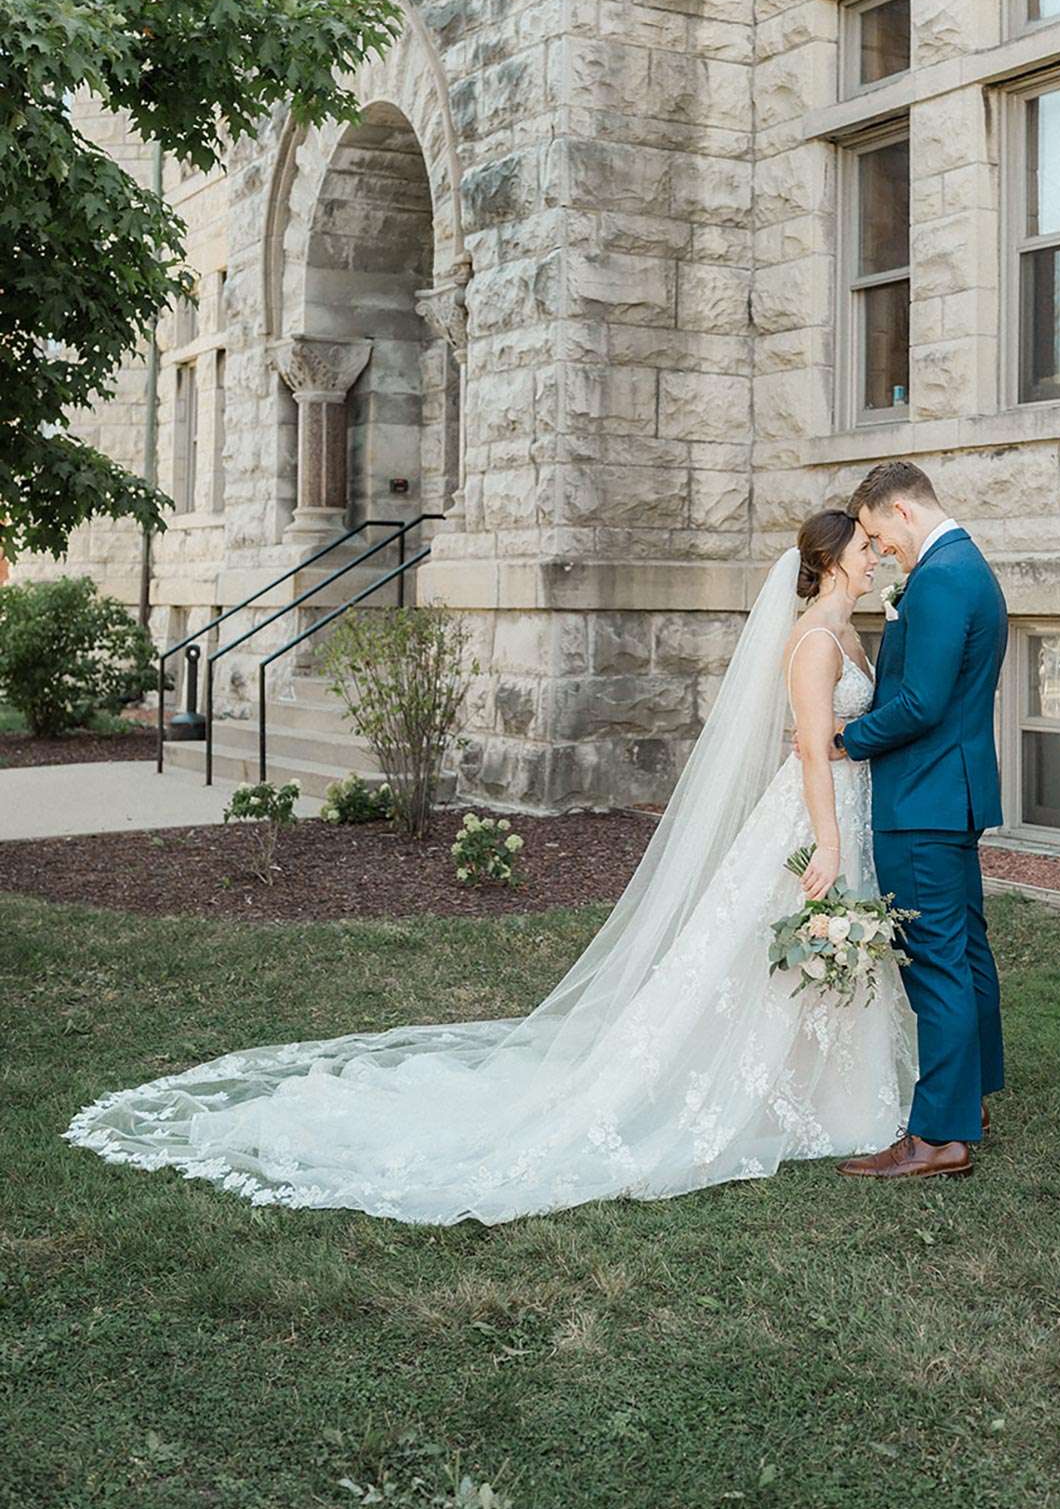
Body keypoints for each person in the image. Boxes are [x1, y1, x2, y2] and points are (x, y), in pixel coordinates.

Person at [64, 513, 917, 1227]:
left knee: (792, 950)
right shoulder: (812, 642)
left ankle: (829, 1086)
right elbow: (808, 745)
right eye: (864, 547)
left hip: (848, 803)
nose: (875, 554)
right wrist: (829, 841)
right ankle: (773, 1088)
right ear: (827, 560)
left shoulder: (848, 628)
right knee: (778, 940)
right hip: (815, 815)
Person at [827, 460, 1008, 1183]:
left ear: (901, 512)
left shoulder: (937, 579)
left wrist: (846, 740)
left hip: (922, 800)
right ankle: (969, 1102)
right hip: (951, 794)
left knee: (936, 964)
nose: (881, 553)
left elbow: (921, 703)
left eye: (877, 535)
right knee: (964, 953)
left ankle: (936, 1137)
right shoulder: (968, 566)